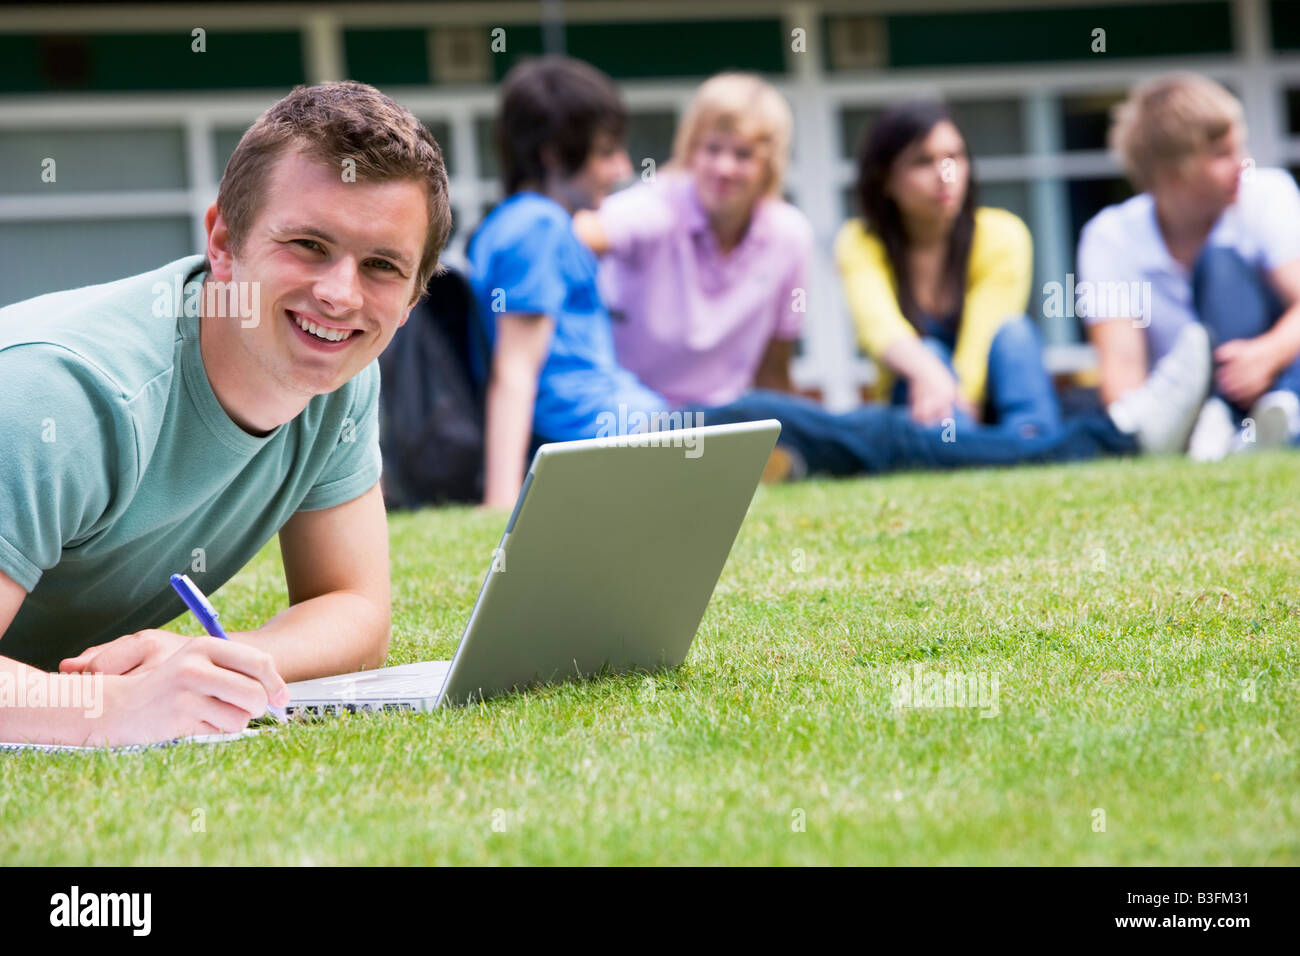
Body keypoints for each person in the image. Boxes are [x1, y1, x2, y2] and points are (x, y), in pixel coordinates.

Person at [469, 57, 1206, 512]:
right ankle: (1110, 439)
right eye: (604, 153)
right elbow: (515, 370)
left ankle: (1095, 439)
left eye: (746, 153)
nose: (621, 170)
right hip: (638, 437)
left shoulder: (521, 226)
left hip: (659, 428)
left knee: (826, 428)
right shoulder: (542, 226)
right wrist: (501, 496)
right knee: (879, 435)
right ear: (556, 152)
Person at [0, 81, 452, 746]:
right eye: (307, 244)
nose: (339, 295)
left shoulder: (339, 379)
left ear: (415, 296)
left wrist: (206, 661)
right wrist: (115, 710)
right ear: (222, 242)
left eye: (382, 265)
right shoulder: (63, 394)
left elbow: (354, 610)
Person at [1078, 72, 1300, 460]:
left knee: (1220, 264)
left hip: (1278, 382)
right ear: (1171, 172)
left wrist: (1268, 354)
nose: (1242, 164)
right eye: (1221, 154)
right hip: (1191, 418)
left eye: (1239, 147)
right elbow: (1123, 368)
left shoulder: (1268, 195)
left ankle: (1270, 415)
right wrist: (1143, 434)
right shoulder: (1110, 237)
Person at [572, 72, 812, 406]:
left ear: (769, 164)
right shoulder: (655, 209)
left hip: (724, 416)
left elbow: (774, 367)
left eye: (743, 155)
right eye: (712, 149)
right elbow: (568, 237)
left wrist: (788, 433)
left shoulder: (789, 236)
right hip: (631, 412)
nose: (724, 168)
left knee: (819, 423)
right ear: (690, 151)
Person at [836, 100, 1058, 439]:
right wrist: (929, 372)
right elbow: (879, 329)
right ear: (885, 179)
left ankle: (1031, 439)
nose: (946, 176)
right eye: (923, 162)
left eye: (955, 157)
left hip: (987, 403)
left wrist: (962, 397)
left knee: (1016, 333)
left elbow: (985, 333)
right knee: (928, 350)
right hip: (918, 406)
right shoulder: (859, 241)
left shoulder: (1003, 235)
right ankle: (973, 446)